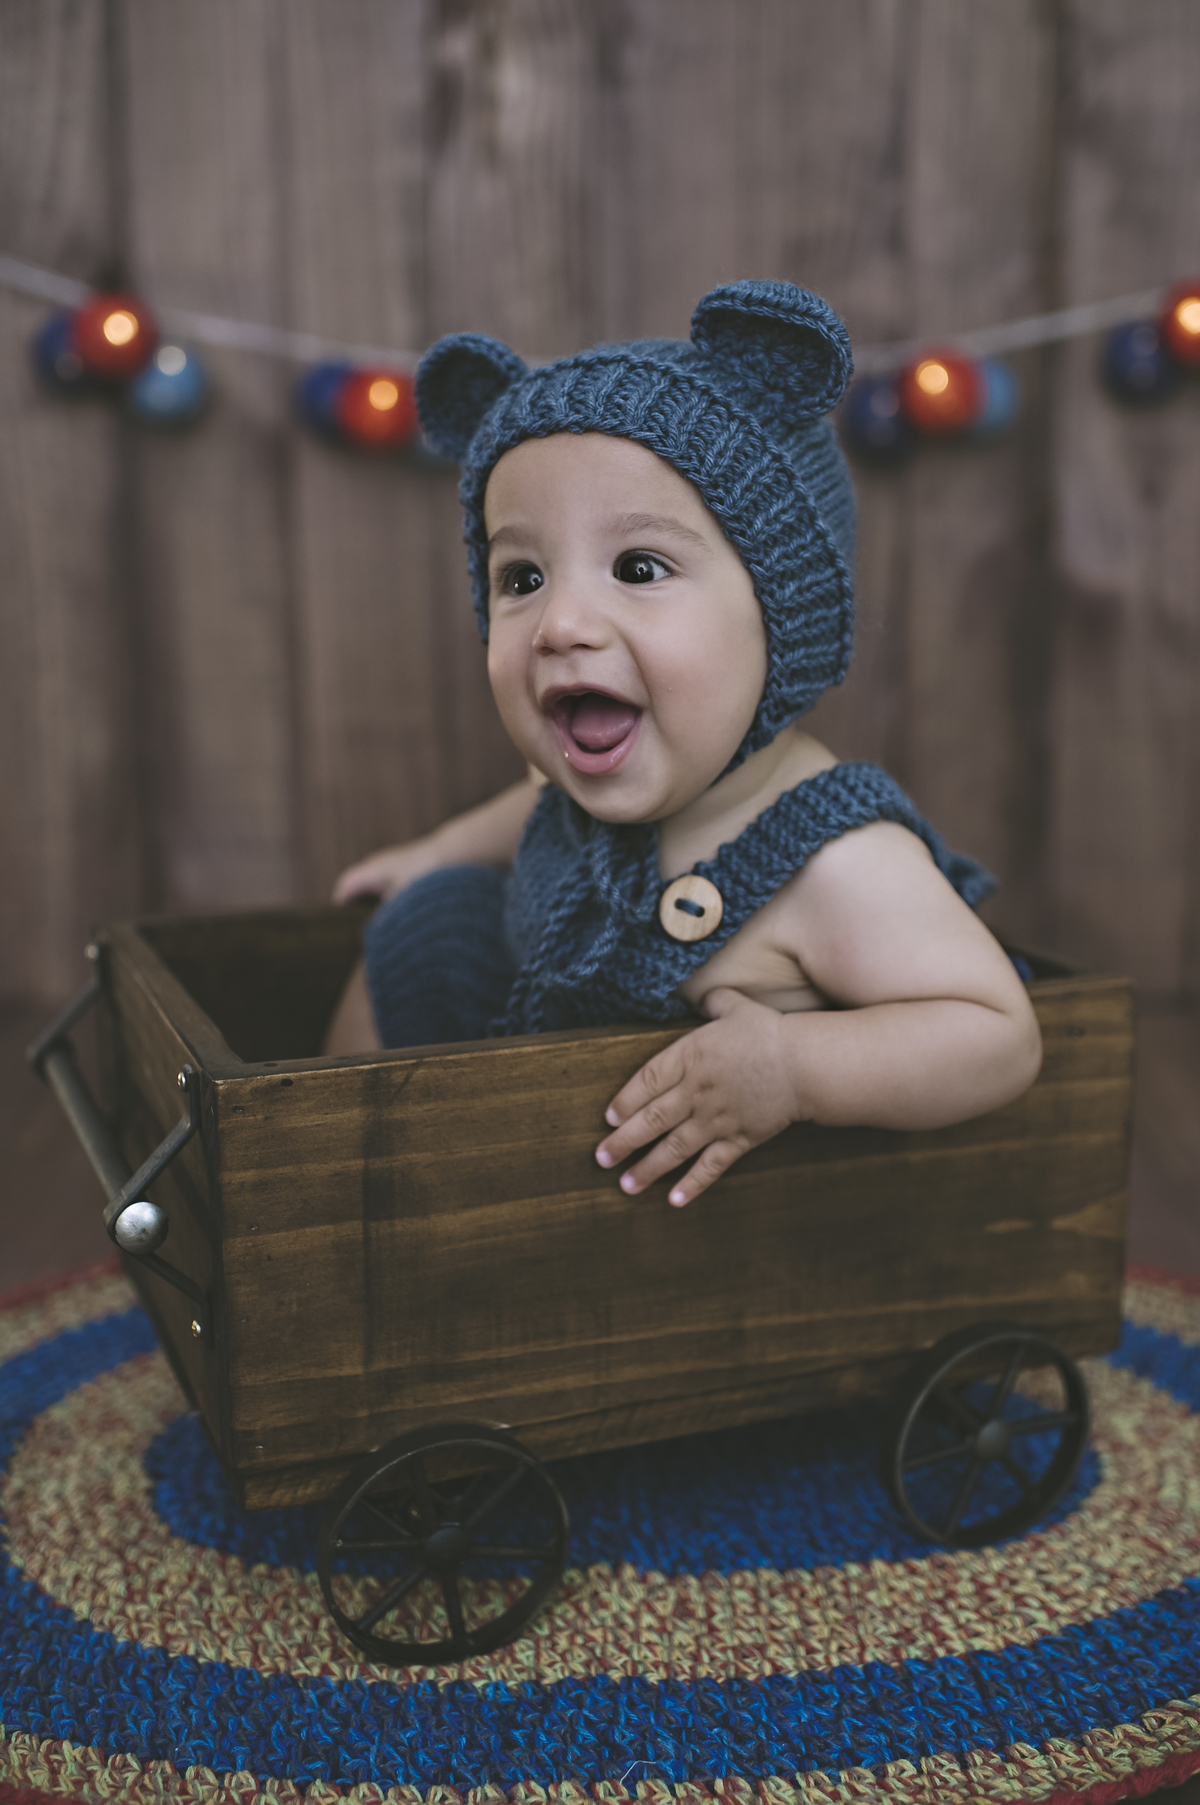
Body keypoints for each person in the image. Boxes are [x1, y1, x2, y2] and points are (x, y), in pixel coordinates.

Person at [327, 281, 1042, 1207]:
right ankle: (330, 1183)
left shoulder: (836, 860)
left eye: (639, 567)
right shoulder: (589, 781)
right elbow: (534, 808)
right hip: (517, 1128)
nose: (561, 623)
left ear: (780, 618)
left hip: (706, 1223)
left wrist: (792, 1068)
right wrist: (433, 854)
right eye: (523, 577)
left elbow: (996, 1034)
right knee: (421, 927)